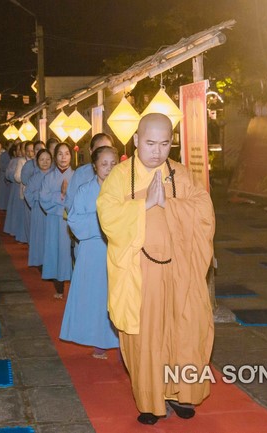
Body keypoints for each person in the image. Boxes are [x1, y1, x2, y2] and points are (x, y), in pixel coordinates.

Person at [96, 113, 215, 425]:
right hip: (140, 273)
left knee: (185, 330)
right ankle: (150, 400)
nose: (157, 151)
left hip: (180, 272)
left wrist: (170, 206)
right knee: (146, 339)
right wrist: (143, 204)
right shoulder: (121, 176)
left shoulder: (181, 174)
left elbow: (204, 212)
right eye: (150, 143)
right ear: (136, 140)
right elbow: (107, 214)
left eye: (164, 144)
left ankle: (181, 394)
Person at [60, 146, 119, 358]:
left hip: (118, 251)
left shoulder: (125, 190)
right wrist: (104, 221)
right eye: (104, 164)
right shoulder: (85, 190)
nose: (109, 168)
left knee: (118, 297)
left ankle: (123, 343)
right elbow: (74, 221)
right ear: (95, 167)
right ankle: (99, 340)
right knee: (97, 298)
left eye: (113, 164)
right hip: (93, 251)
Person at [39, 142, 74, 298]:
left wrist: (63, 198)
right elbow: (43, 200)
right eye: (60, 154)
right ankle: (59, 287)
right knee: (57, 252)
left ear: (71, 156)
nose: (63, 157)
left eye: (67, 153)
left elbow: (79, 199)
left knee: (71, 253)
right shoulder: (49, 177)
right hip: (54, 221)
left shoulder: (76, 176)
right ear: (55, 157)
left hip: (72, 220)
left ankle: (75, 286)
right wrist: (61, 195)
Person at [65, 133, 114, 212]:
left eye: (108, 149)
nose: (104, 154)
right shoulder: (80, 174)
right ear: (91, 151)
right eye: (99, 150)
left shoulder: (119, 174)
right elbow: (70, 204)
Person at [24, 148, 52, 268]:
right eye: (42, 159)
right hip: (38, 210)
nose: (45, 162)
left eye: (47, 159)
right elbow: (28, 194)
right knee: (39, 236)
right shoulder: (34, 178)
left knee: (50, 236)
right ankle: (39, 260)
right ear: (37, 161)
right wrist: (36, 202)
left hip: (51, 211)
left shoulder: (55, 175)